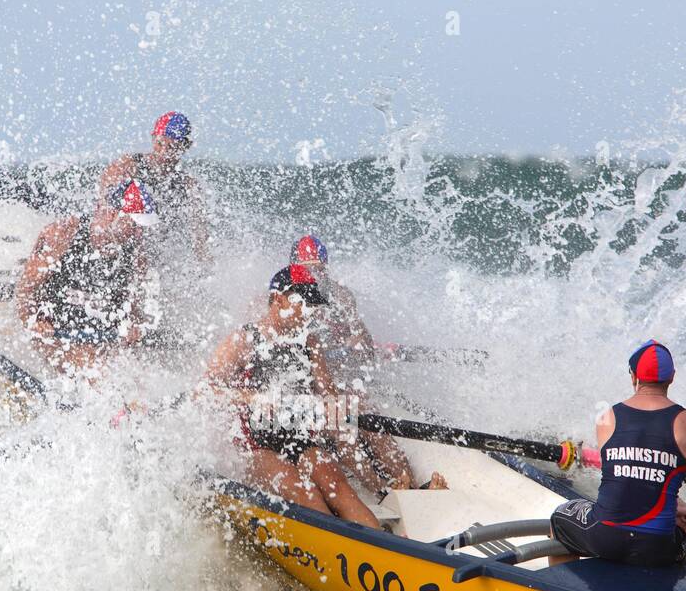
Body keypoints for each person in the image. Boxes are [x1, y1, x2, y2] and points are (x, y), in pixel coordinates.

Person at [205, 265, 380, 528]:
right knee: (306, 495)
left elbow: (328, 395)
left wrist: (339, 410)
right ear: (279, 299)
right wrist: (252, 398)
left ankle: (381, 548)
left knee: (338, 488)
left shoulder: (309, 344)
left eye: (312, 303)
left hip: (298, 437)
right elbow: (205, 390)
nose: (309, 311)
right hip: (255, 447)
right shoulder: (244, 339)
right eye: (303, 302)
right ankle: (332, 546)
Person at [549, 340, 686, 567]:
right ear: (672, 377)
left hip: (605, 538)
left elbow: (626, 479)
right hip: (660, 547)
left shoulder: (606, 418)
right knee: (676, 536)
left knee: (559, 518)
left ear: (633, 377)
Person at [280, 236, 444, 494]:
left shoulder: (341, 297)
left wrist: (360, 341)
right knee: (342, 418)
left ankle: (408, 483)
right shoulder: (282, 299)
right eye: (308, 268)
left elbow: (364, 353)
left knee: (367, 411)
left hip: (337, 383)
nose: (314, 275)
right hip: (302, 390)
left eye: (319, 269)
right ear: (294, 269)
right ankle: (382, 492)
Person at [16, 178, 159, 375]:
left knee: (136, 376)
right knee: (96, 370)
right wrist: (35, 320)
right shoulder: (62, 234)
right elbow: (25, 292)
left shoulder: (135, 254)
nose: (139, 234)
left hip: (98, 337)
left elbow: (132, 307)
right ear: (111, 214)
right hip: (55, 332)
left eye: (141, 228)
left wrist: (135, 324)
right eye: (134, 225)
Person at [97, 111, 210, 264]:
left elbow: (200, 238)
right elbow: (105, 198)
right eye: (160, 144)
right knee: (136, 222)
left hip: (154, 251)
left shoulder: (188, 186)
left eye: (171, 147)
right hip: (114, 240)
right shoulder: (129, 164)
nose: (164, 152)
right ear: (152, 139)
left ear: (185, 146)